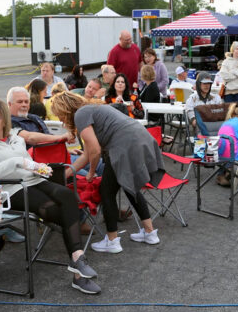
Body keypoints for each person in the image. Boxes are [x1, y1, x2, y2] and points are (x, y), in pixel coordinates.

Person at [0, 99, 100, 294]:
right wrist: (17, 162)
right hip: (10, 191)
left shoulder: (15, 137)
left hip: (33, 180)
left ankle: (77, 260)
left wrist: (40, 169)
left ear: (4, 120)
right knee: (63, 211)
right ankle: (78, 271)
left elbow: (27, 163)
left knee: (68, 197)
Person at [50, 92, 164, 255]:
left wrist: (90, 173)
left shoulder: (81, 114)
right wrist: (66, 174)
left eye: (60, 115)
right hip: (140, 138)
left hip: (123, 145)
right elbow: (87, 154)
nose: (61, 120)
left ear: (65, 109)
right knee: (129, 185)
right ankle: (150, 233)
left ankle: (112, 241)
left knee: (106, 192)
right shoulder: (92, 108)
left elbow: (95, 151)